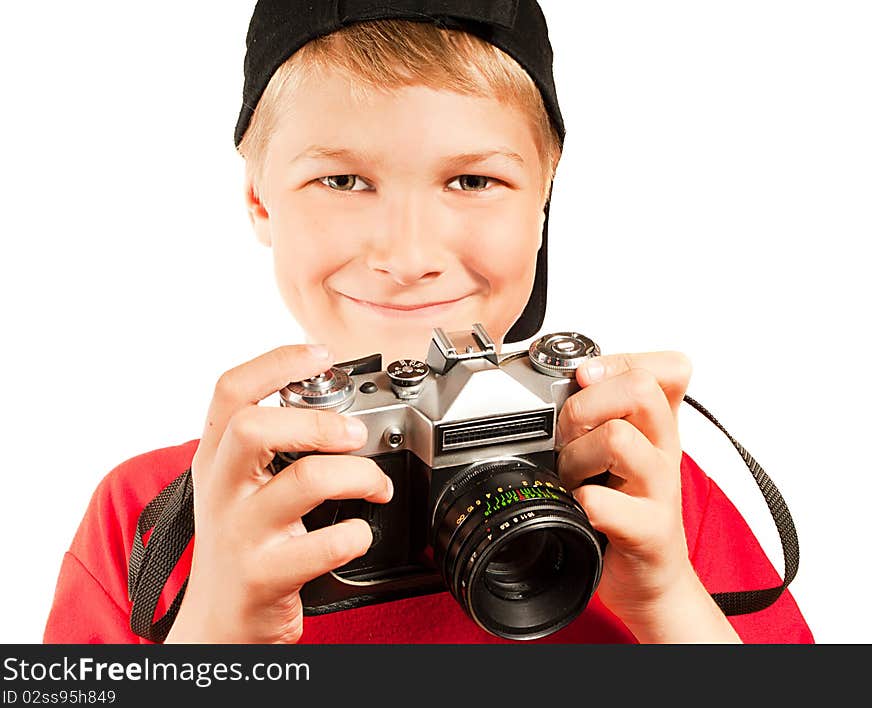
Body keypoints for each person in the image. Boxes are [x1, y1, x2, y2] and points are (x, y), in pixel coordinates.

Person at [43, 0, 813, 644]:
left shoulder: (634, 475)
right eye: (342, 180)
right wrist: (213, 632)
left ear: (542, 205)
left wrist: (670, 601)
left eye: (473, 179)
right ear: (259, 201)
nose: (408, 256)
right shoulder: (154, 518)